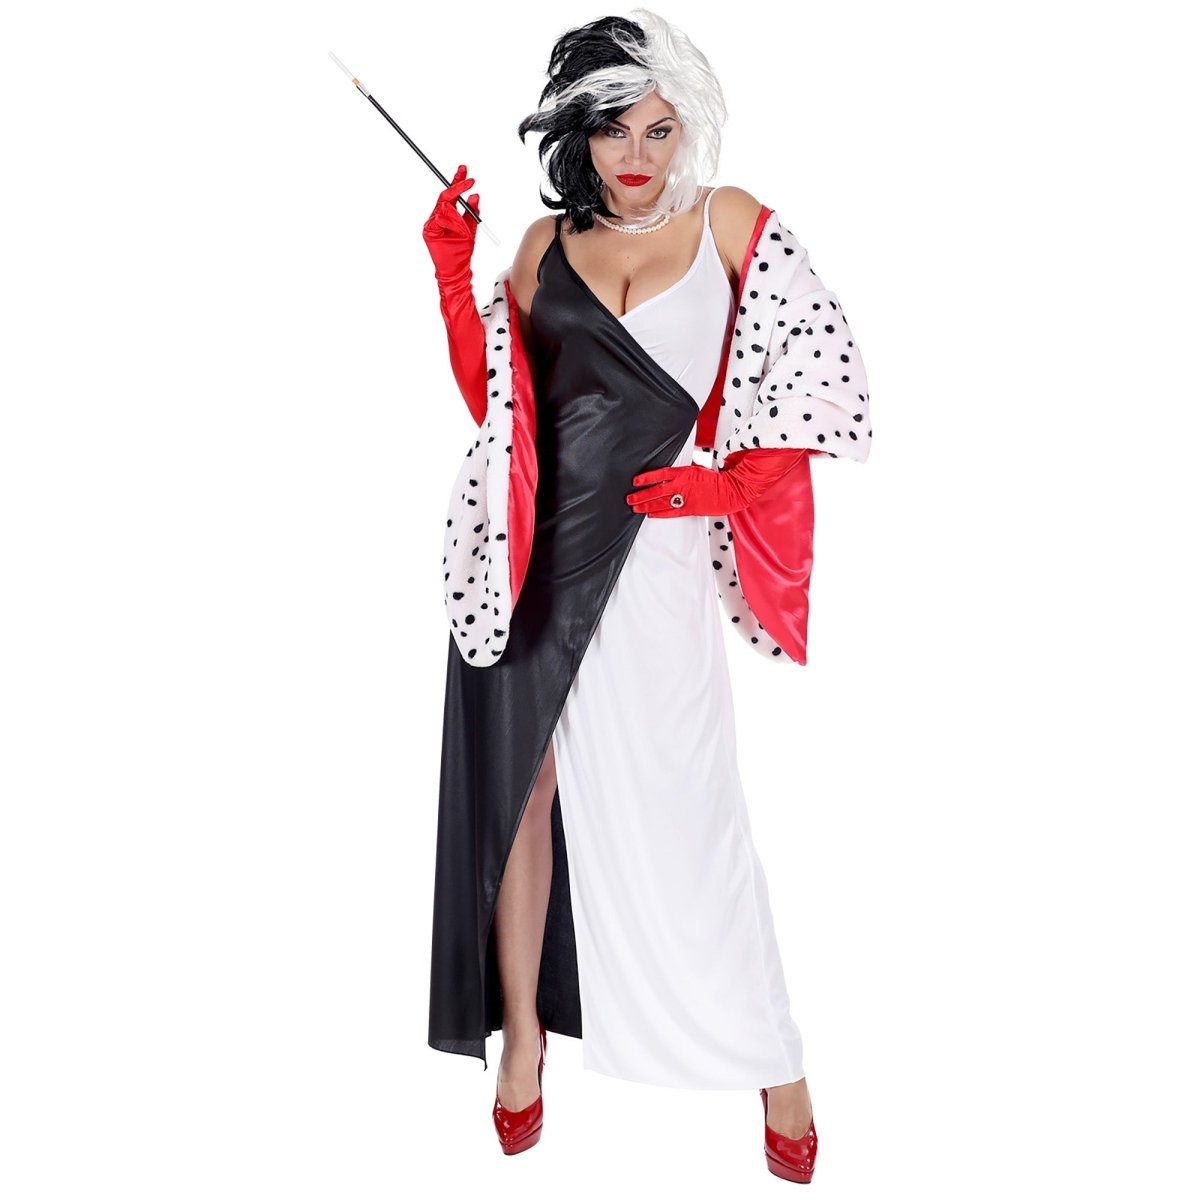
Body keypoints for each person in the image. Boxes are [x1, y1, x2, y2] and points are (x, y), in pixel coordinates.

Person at [422, 9, 871, 1184]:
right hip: (531, 564)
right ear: (577, 133)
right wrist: (450, 270)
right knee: (522, 802)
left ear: (688, 131)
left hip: (657, 569)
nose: (636, 154)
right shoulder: (539, 245)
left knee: (698, 809)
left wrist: (726, 486)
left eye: (658, 129)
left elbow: (824, 380)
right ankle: (524, 1041)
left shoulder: (729, 224)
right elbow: (500, 403)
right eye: (613, 129)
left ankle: (776, 1062)